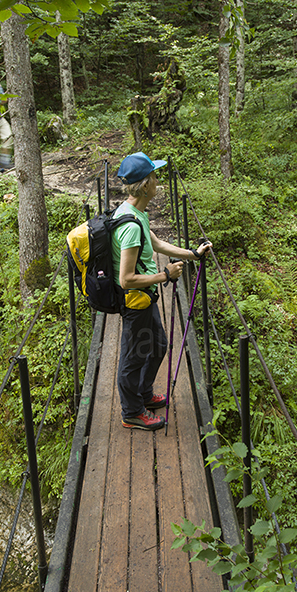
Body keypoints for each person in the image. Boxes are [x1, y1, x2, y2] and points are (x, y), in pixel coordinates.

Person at [113, 152, 212, 431]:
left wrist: (192, 253)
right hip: (135, 300)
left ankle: (143, 395)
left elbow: (156, 244)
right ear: (145, 185)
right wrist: (164, 275)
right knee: (133, 357)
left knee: (156, 345)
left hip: (146, 297)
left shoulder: (134, 212)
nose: (158, 180)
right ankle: (132, 412)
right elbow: (126, 279)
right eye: (155, 176)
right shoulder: (131, 225)